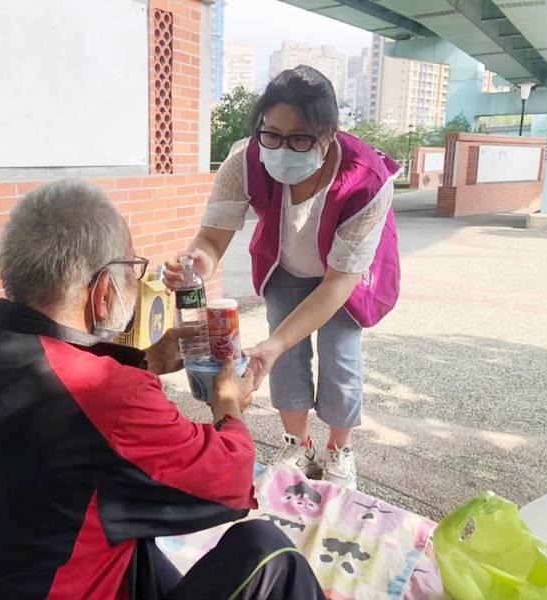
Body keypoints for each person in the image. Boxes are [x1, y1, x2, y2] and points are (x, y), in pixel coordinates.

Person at [0, 179, 325, 600]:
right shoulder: (114, 398)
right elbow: (228, 484)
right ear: (103, 292)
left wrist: (151, 359)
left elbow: (56, 382)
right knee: (269, 552)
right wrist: (228, 407)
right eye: (132, 273)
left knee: (129, 528)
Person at [164, 66, 401, 490]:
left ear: (329, 133)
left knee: (340, 357)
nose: (281, 148)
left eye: (299, 138)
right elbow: (212, 236)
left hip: (338, 278)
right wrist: (198, 260)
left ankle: (339, 451)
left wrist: (275, 342)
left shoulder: (367, 179)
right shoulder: (245, 159)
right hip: (286, 265)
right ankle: (299, 443)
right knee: (281, 360)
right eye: (270, 133)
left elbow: (338, 282)